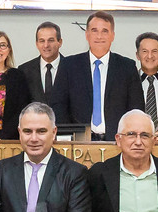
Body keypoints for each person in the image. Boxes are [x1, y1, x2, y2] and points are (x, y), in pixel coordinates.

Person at [57, 9, 142, 141]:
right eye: (94, 30)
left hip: (118, 142)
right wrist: (69, 136)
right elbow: (59, 106)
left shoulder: (127, 67)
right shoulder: (69, 65)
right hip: (79, 141)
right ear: (87, 35)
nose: (99, 36)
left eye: (105, 31)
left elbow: (136, 109)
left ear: (112, 36)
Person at [19, 21, 66, 105]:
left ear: (60, 42)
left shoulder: (72, 69)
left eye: (51, 40)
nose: (46, 45)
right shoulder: (24, 71)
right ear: (37, 44)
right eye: (42, 41)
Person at [135, 31, 158, 137]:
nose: (150, 56)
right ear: (137, 55)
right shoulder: (128, 81)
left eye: (154, 51)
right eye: (144, 51)